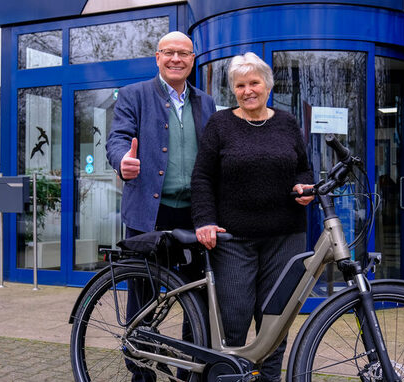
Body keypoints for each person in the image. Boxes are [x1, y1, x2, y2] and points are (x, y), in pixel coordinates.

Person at [191, 52, 314, 382]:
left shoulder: (287, 123)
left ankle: (267, 379)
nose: (248, 90)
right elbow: (202, 176)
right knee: (233, 319)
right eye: (240, 85)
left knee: (276, 321)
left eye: (254, 83)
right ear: (234, 89)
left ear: (268, 85)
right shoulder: (220, 124)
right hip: (233, 238)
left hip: (286, 236)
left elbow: (303, 167)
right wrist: (203, 220)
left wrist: (305, 187)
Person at [105, 31, 216, 382]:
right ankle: (143, 375)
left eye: (184, 53)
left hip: (195, 215)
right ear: (157, 57)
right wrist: (123, 160)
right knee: (144, 301)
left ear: (193, 60)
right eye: (169, 53)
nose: (176, 59)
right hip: (149, 217)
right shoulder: (134, 95)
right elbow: (118, 138)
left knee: (196, 297)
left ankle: (189, 372)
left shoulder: (206, 102)